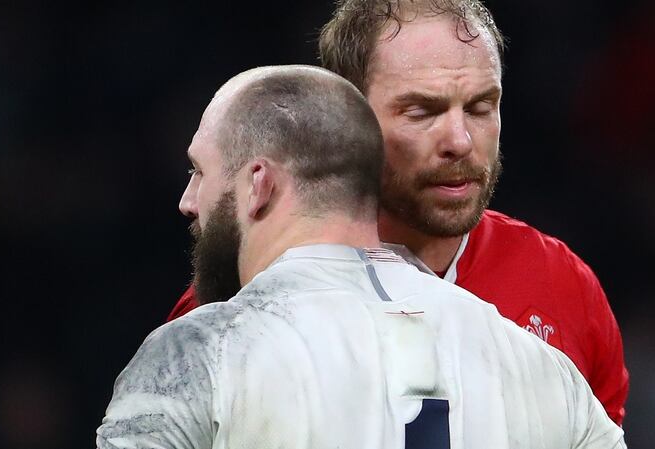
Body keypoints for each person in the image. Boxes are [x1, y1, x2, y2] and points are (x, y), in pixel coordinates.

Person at [98, 65, 625, 448]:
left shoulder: (202, 352)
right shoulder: (537, 367)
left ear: (259, 184)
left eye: (200, 172)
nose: (188, 201)